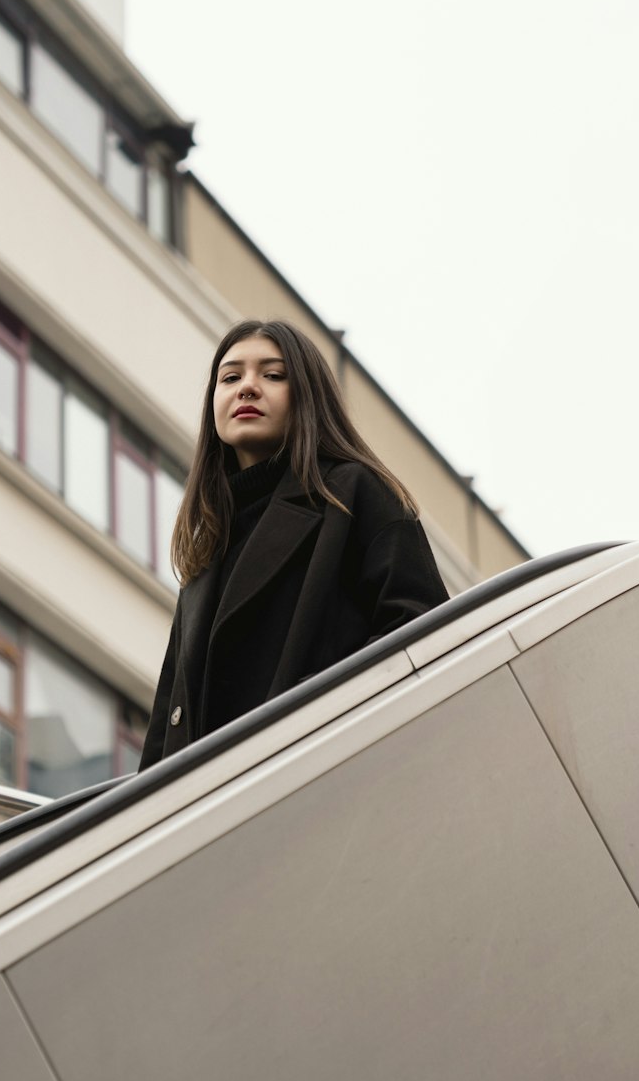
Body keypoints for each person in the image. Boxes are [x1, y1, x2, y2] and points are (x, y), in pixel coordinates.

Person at [139, 319, 449, 769]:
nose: (247, 388)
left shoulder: (355, 494)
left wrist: (315, 717)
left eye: (272, 374)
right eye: (230, 377)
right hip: (212, 810)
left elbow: (423, 634)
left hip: (318, 777)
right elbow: (166, 727)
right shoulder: (207, 545)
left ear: (307, 396)